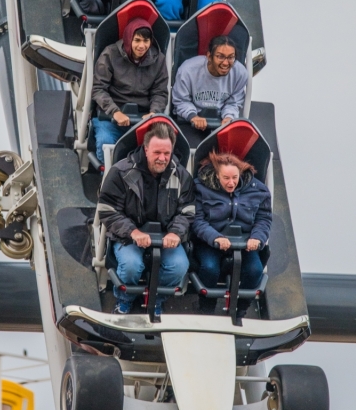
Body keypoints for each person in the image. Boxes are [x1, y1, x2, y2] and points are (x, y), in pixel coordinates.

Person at [97, 122, 194, 314]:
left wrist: (176, 233)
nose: (162, 158)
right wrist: (132, 232)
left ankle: (156, 299)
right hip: (129, 236)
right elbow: (107, 210)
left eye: (167, 153)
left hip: (166, 237)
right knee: (132, 266)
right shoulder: (121, 172)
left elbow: (188, 210)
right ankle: (125, 300)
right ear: (146, 148)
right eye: (157, 152)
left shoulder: (181, 175)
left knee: (179, 266)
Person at [192, 150, 272, 313]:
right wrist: (215, 238)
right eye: (226, 178)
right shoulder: (200, 188)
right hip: (210, 241)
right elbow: (197, 220)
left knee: (254, 270)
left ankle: (241, 308)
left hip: (244, 243)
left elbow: (264, 218)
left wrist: (257, 238)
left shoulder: (259, 190)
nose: (231, 183)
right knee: (209, 268)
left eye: (235, 178)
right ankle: (206, 308)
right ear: (216, 175)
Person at [91, 17, 169, 163]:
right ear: (128, 39)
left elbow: (160, 92)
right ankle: (108, 181)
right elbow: (98, 89)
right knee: (105, 143)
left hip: (142, 119)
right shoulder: (110, 54)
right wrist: (115, 112)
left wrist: (154, 112)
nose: (142, 46)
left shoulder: (159, 60)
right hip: (110, 117)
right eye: (137, 40)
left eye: (146, 41)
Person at [172, 35, 248, 133]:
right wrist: (193, 116)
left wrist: (229, 117)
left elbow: (234, 102)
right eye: (220, 56)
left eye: (231, 57)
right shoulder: (188, 70)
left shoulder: (240, 73)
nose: (225, 63)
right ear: (209, 56)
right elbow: (180, 101)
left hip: (220, 121)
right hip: (189, 121)